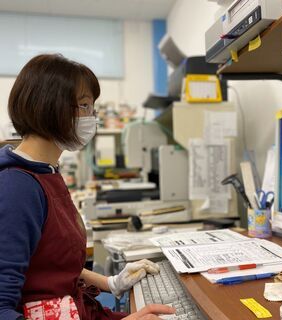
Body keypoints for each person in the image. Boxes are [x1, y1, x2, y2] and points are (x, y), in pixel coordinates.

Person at [0, 54, 175, 320]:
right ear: (51, 107)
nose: (91, 116)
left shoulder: (46, 172)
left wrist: (111, 283)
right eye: (84, 105)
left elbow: (48, 265)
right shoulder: (17, 187)